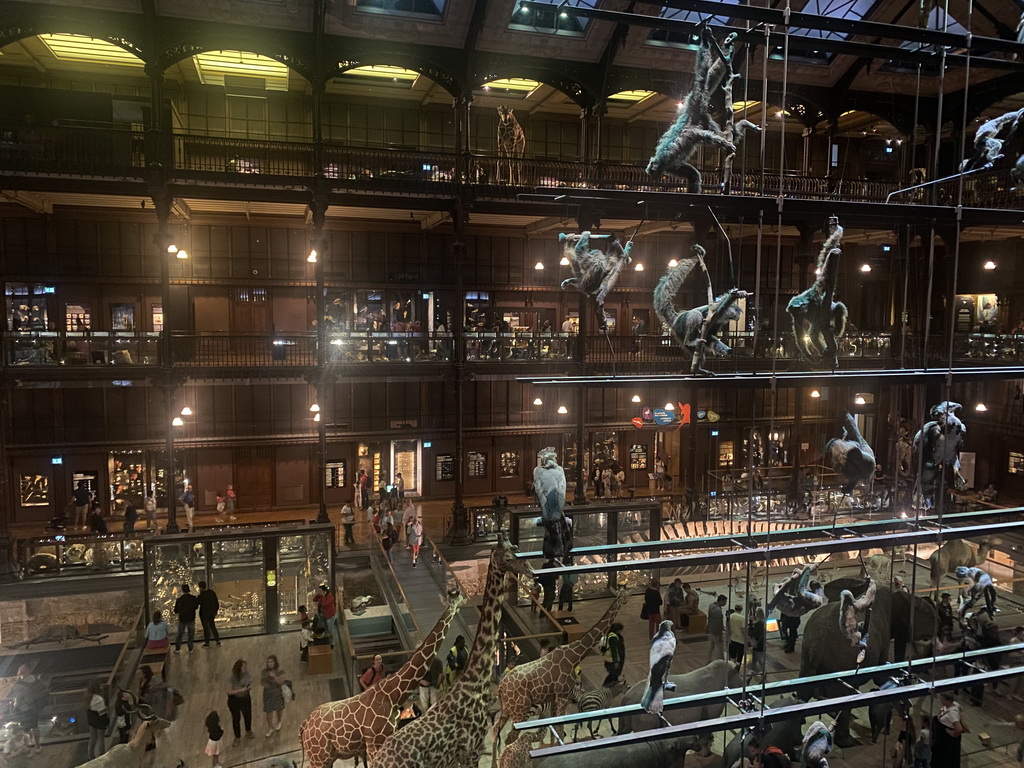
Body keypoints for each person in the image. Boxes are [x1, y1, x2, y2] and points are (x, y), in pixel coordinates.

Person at [10, 664, 45, 753]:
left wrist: (13, 707)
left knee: (26, 729)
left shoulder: (19, 684)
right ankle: (37, 746)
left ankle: (28, 748)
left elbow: (17, 699)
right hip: (34, 707)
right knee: (35, 727)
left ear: (23, 671)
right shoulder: (35, 680)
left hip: (23, 709)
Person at [227, 659, 256, 746]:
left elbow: (248, 682)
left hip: (245, 698)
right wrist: (241, 690)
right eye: (244, 667)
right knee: (236, 719)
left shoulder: (246, 674)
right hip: (235, 700)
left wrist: (248, 688)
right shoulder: (232, 678)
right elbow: (229, 691)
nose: (246, 669)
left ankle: (248, 730)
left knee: (248, 715)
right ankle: (237, 737)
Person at [932, 691, 963, 768]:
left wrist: (952, 733)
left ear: (948, 700)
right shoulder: (955, 704)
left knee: (945, 759)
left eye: (942, 699)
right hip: (942, 736)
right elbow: (961, 708)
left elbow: (959, 729)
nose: (940, 700)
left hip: (946, 740)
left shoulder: (952, 713)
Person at [260, 655, 287, 738]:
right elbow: (262, 681)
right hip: (268, 693)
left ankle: (279, 721)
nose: (269, 663)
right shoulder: (264, 671)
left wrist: (274, 676)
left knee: (279, 709)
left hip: (277, 693)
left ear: (275, 662)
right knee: (268, 711)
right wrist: (264, 684)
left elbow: (280, 681)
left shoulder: (280, 671)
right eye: (268, 662)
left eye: (271, 662)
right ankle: (270, 727)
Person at [85, 678, 109, 759]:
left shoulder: (88, 697)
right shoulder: (99, 699)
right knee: (101, 738)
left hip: (91, 720)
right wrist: (106, 722)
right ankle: (102, 756)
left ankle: (90, 755)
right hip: (99, 720)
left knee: (92, 738)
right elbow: (102, 712)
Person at [174, 583, 200, 654]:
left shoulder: (179, 600)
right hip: (191, 618)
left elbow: (176, 610)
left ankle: (177, 648)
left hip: (182, 619)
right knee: (191, 634)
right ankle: (190, 648)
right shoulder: (193, 598)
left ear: (182, 590)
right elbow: (196, 607)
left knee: (180, 634)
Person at [313, 584, 338, 650]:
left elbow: (325, 604)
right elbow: (314, 600)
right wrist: (317, 595)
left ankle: (332, 642)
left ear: (324, 591)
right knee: (325, 628)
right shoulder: (321, 596)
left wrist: (322, 596)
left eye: (320, 590)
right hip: (322, 615)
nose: (319, 591)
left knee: (330, 629)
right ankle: (327, 640)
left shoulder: (330, 596)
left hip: (330, 615)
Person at [198, 580, 221, 648]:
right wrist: (215, 611)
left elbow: (197, 603)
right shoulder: (211, 592)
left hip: (203, 614)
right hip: (211, 613)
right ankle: (217, 641)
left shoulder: (201, 595)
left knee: (206, 628)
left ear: (201, 587)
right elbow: (216, 602)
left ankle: (207, 643)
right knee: (213, 626)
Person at [601, 622, 625, 686]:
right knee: (614, 674)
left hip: (608, 659)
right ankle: (605, 685)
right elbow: (614, 650)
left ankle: (612, 686)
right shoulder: (613, 638)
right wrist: (616, 661)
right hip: (611, 660)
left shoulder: (610, 635)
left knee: (614, 674)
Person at [708, 594, 728, 662]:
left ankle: (709, 660)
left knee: (711, 646)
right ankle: (720, 661)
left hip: (710, 629)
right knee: (719, 647)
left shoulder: (711, 605)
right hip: (716, 631)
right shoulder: (718, 610)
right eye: (725, 602)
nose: (725, 603)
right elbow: (718, 623)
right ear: (721, 601)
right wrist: (720, 633)